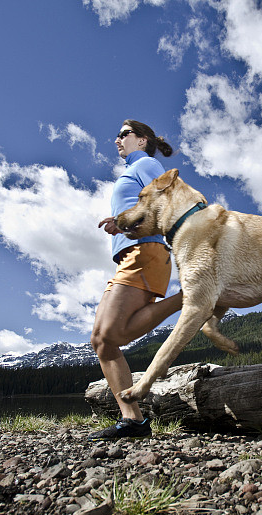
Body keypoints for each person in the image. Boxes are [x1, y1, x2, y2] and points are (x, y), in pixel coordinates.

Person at [88, 119, 184, 441]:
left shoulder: (146, 164)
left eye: (124, 134)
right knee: (101, 340)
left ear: (142, 140)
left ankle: (190, 296)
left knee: (111, 334)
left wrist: (128, 223)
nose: (117, 139)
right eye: (116, 135)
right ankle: (133, 420)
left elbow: (168, 203)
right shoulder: (133, 169)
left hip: (146, 253)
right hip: (130, 257)